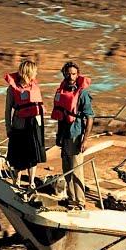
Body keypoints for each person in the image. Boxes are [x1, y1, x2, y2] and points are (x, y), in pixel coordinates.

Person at [51, 61, 94, 210]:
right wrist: (59, 135)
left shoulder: (83, 93)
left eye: (74, 73)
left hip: (76, 135)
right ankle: (71, 199)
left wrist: (85, 139)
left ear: (78, 75)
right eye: (68, 73)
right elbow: (60, 115)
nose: (71, 76)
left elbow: (90, 117)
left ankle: (80, 202)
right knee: (66, 168)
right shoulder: (62, 91)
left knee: (76, 169)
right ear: (64, 73)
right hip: (64, 135)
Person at [4, 59, 47, 189]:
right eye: (35, 71)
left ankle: (31, 182)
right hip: (19, 126)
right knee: (18, 156)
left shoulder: (35, 87)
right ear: (28, 72)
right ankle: (16, 181)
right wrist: (8, 127)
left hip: (33, 127)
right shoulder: (12, 89)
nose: (36, 73)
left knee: (32, 156)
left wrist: (39, 128)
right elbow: (7, 110)